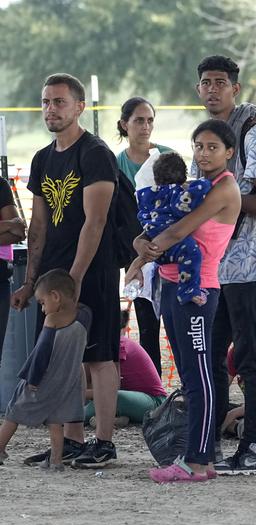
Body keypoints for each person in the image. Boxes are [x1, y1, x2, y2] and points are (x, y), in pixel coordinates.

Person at [13, 73, 122, 468]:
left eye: (59, 102)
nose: (50, 109)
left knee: (100, 355)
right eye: (45, 102)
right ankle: (73, 440)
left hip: (94, 269)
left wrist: (75, 278)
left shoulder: (94, 153)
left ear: (79, 107)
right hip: (55, 274)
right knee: (64, 358)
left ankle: (104, 442)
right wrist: (31, 283)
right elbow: (38, 225)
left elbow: (95, 222)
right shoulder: (43, 158)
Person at [127, 118, 241, 483]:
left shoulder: (223, 189)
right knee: (190, 375)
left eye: (212, 147)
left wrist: (141, 255)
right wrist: (139, 244)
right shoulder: (195, 186)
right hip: (172, 285)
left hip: (198, 291)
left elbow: (178, 229)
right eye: (199, 146)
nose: (204, 153)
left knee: (199, 374)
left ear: (229, 152)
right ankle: (196, 457)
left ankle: (196, 460)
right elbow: (158, 226)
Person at [194, 55, 256, 475]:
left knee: (250, 360)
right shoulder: (205, 138)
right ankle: (205, 445)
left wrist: (221, 197)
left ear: (236, 88)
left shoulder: (255, 135)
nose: (213, 89)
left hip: (250, 268)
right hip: (212, 269)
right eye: (206, 83)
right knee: (209, 359)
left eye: (220, 82)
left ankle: (253, 449)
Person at [0, 270, 90, 471]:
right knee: (56, 420)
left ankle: (0, 447)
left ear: (55, 296)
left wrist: (32, 379)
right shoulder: (84, 315)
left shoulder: (51, 321)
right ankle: (56, 461)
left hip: (42, 378)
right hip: (66, 380)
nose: (42, 309)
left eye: (42, 302)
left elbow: (41, 353)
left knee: (14, 411)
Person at [116, 96, 173, 376]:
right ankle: (155, 387)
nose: (145, 126)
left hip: (172, 249)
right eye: (139, 120)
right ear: (125, 124)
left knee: (177, 322)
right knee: (147, 322)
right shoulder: (115, 166)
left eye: (150, 120)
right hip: (135, 252)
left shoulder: (166, 158)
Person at [136, 152, 212, 305]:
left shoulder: (147, 194)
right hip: (170, 246)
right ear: (183, 176)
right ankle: (188, 291)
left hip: (153, 249)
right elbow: (182, 209)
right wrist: (204, 183)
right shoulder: (175, 194)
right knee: (193, 254)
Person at [85, 309, 167, 426]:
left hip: (154, 402)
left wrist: (79, 394)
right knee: (106, 398)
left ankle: (73, 417)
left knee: (111, 397)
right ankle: (116, 417)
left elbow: (109, 391)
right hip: (138, 400)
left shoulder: (117, 345)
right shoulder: (101, 345)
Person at [0, 177, 26, 364]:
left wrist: (11, 226)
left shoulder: (0, 185)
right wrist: (7, 224)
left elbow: (18, 231)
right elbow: (13, 225)